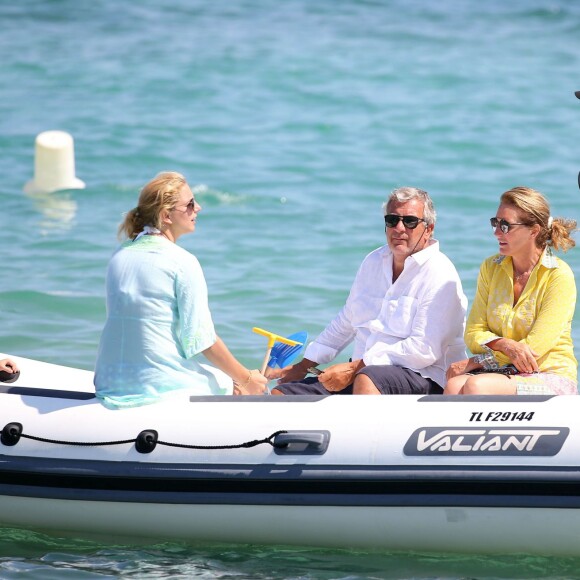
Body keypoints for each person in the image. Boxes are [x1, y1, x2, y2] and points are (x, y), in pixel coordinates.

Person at [270, 187, 467, 396]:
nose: (399, 228)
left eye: (409, 221)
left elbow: (423, 350)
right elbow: (347, 321)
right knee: (283, 394)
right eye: (392, 220)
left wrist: (355, 368)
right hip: (362, 372)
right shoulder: (373, 261)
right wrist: (302, 367)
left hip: (423, 376)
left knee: (368, 379)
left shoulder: (440, 272)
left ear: (428, 229)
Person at [94, 171, 267, 408]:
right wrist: (247, 379)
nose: (199, 208)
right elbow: (201, 340)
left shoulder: (120, 253)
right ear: (166, 215)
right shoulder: (182, 261)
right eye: (190, 204)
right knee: (230, 382)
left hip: (108, 382)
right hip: (158, 387)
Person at [445, 186, 577, 396]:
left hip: (549, 374)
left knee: (475, 385)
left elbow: (534, 349)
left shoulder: (558, 276)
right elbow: (473, 333)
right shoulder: (491, 267)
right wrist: (504, 344)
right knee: (453, 384)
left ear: (533, 230)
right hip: (505, 371)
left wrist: (478, 360)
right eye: (495, 223)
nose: (496, 232)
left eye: (505, 225)